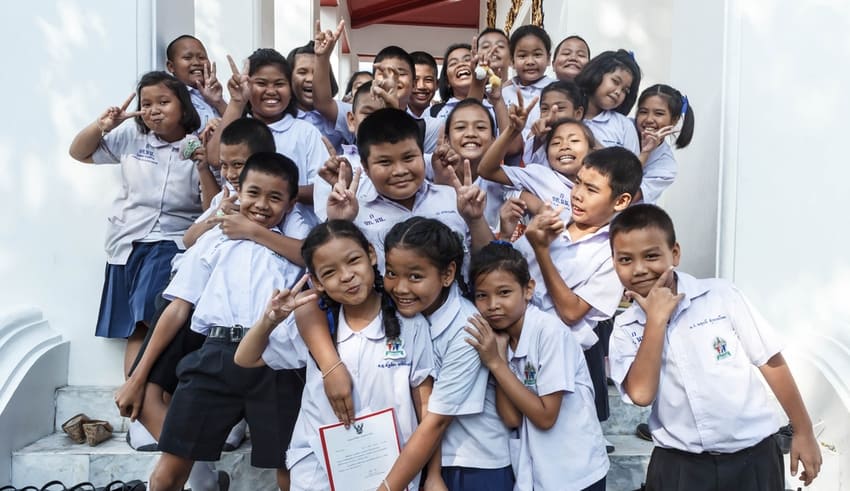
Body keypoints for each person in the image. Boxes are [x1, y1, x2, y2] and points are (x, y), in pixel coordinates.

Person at [608, 204, 823, 490]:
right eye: (625, 259)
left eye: (651, 256)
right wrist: (655, 321)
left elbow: (769, 360)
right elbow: (642, 394)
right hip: (680, 466)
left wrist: (803, 430)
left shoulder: (721, 297)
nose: (639, 269)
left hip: (753, 459)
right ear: (614, 263)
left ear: (675, 253)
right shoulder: (625, 329)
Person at [145, 153, 308, 491]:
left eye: (275, 197)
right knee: (169, 469)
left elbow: (315, 256)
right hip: (217, 354)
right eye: (253, 193)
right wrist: (140, 375)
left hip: (277, 360)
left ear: (291, 203)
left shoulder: (292, 246)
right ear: (238, 191)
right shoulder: (214, 240)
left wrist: (253, 231)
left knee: (291, 467)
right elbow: (178, 307)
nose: (262, 204)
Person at [234, 219, 436, 491]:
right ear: (317, 282)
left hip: (389, 472)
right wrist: (270, 320)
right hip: (318, 471)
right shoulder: (317, 326)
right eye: (329, 272)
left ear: (371, 255)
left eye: (353, 261)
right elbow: (245, 358)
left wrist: (427, 474)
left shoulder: (410, 325)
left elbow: (426, 407)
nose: (346, 276)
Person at [68, 71, 203, 380]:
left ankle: (142, 393)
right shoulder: (132, 137)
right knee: (135, 326)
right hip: (126, 244)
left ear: (183, 106)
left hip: (170, 241)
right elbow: (79, 153)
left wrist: (203, 162)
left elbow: (208, 203)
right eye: (147, 103)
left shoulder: (198, 145)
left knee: (150, 319)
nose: (154, 109)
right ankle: (137, 408)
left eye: (164, 102)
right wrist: (103, 126)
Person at [515, 146, 643, 450]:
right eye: (577, 183)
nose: (577, 194)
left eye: (591, 189)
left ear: (621, 201)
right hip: (515, 347)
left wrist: (542, 252)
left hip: (562, 359)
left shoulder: (615, 251)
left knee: (559, 447)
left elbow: (572, 312)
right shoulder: (552, 223)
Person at [380, 218, 513, 491]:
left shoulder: (467, 329)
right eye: (391, 273)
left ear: (448, 273)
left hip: (472, 464)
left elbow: (437, 420)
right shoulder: (404, 315)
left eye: (415, 276)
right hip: (421, 460)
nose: (400, 288)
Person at [465, 241, 609, 491]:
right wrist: (499, 361)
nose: (493, 305)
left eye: (504, 292)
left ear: (528, 289)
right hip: (538, 475)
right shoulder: (500, 341)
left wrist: (497, 364)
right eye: (481, 296)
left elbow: (545, 417)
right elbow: (511, 419)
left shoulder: (550, 332)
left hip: (576, 475)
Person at [326, 107, 494, 272]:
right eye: (385, 162)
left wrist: (475, 220)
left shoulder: (453, 198)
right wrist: (339, 223)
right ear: (365, 167)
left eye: (408, 158)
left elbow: (490, 263)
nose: (400, 171)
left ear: (422, 155)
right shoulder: (354, 214)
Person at [211, 48, 329, 220]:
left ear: (291, 89)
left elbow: (322, 188)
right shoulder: (239, 126)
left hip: (294, 230)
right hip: (237, 226)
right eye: (261, 83)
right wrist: (237, 101)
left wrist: (278, 191)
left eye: (279, 84)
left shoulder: (305, 132)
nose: (271, 91)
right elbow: (215, 159)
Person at [478, 90, 597, 224]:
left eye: (574, 141)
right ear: (546, 154)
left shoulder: (599, 184)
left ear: (592, 152)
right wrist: (512, 131)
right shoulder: (538, 174)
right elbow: (486, 170)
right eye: (556, 143)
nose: (564, 146)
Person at [633, 84, 695, 204]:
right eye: (643, 112)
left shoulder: (666, 165)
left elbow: (627, 199)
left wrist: (645, 153)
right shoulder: (622, 127)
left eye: (659, 114)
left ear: (674, 120)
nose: (649, 119)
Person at [287, 40, 350, 152]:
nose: (310, 79)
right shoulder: (279, 116)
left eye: (316, 73)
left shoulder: (342, 113)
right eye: (302, 72)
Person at [575, 49, 642, 154]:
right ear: (596, 74)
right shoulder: (567, 110)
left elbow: (632, 168)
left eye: (625, 90)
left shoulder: (624, 126)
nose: (618, 92)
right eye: (615, 81)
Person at [501, 25, 556, 136]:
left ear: (548, 59)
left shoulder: (557, 88)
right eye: (522, 56)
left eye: (537, 54)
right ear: (512, 61)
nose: (530, 61)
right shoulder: (504, 92)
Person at [165, 35, 227, 128]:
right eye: (187, 58)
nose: (197, 63)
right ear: (171, 67)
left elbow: (240, 130)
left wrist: (219, 102)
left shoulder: (216, 94)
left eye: (202, 57)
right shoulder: (170, 98)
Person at [522, 80, 587, 164]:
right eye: (545, 109)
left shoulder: (588, 141)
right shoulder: (537, 140)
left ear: (578, 114)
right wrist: (537, 140)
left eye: (560, 108)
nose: (550, 115)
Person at [409, 50, 438, 118]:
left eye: (428, 80)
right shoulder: (393, 114)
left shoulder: (445, 117)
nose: (421, 86)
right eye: (415, 80)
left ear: (437, 84)